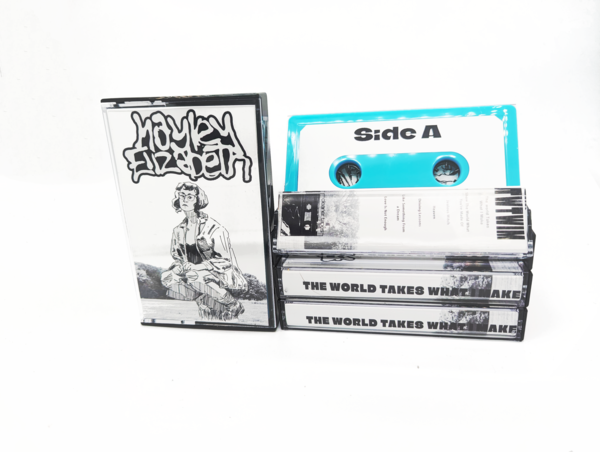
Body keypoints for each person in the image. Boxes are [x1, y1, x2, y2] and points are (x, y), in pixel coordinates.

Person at [161, 182, 247, 321]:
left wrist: (198, 267)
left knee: (194, 276)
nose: (185, 199)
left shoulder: (213, 227)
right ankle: (201, 296)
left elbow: (226, 260)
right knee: (167, 276)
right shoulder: (178, 230)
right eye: (182, 195)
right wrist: (179, 266)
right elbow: (177, 256)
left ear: (197, 200)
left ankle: (233, 304)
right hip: (192, 273)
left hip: (218, 272)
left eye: (190, 196)